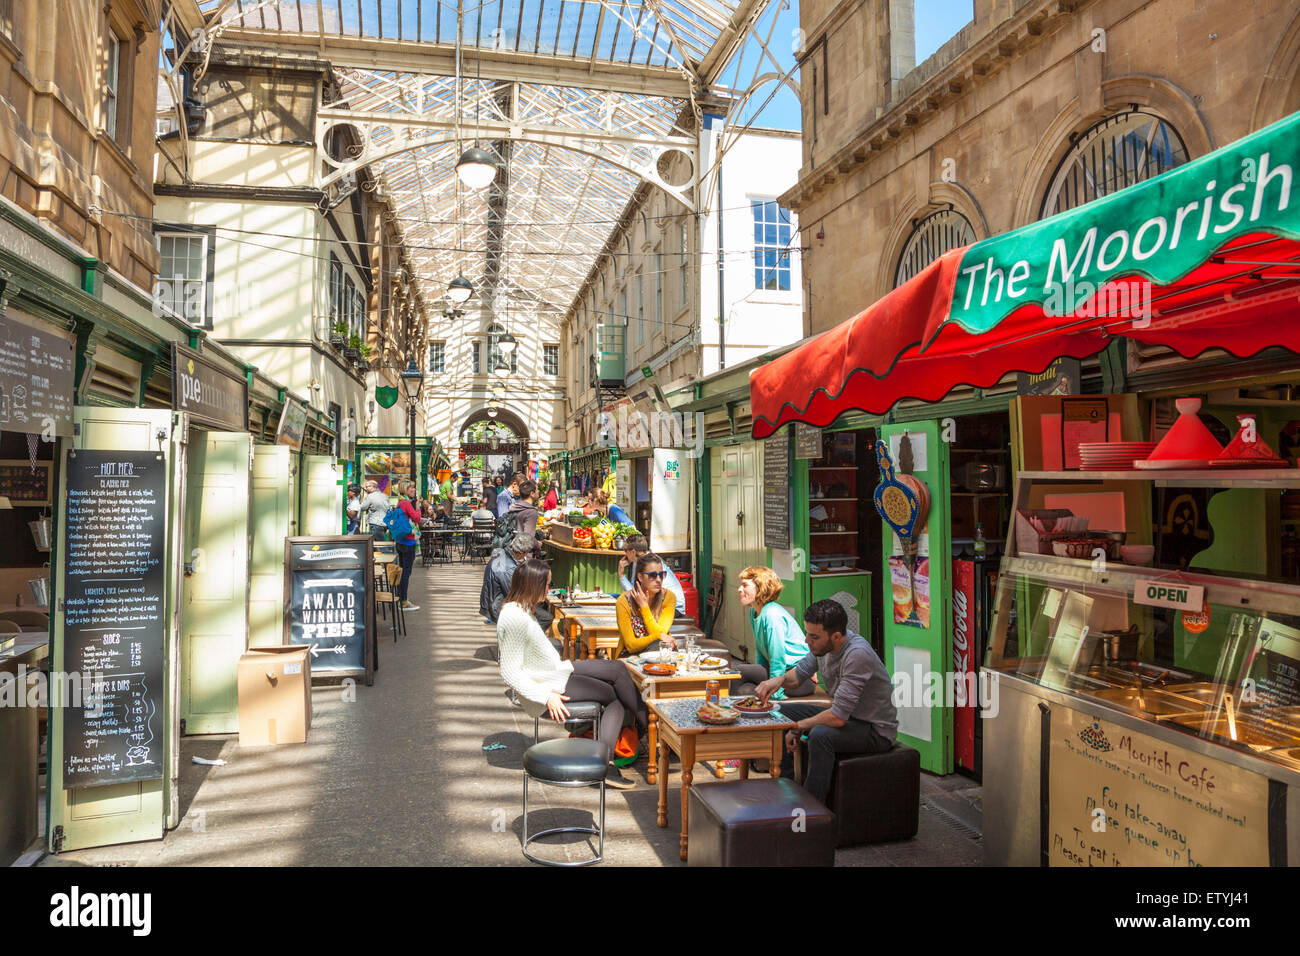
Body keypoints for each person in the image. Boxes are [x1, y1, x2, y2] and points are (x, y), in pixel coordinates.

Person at [497, 559, 644, 789]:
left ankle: (646, 730)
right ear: (533, 585)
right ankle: (626, 749)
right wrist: (546, 696)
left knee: (617, 669)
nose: (548, 590)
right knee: (616, 691)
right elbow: (509, 671)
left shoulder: (519, 609)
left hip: (556, 673)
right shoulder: (514, 618)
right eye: (546, 584)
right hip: (549, 685)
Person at [755, 599, 898, 804]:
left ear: (837, 636)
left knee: (821, 735)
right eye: (807, 633)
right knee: (778, 711)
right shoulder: (822, 648)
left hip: (874, 730)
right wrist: (778, 680)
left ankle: (812, 807)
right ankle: (787, 789)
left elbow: (837, 718)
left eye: (813, 636)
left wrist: (798, 727)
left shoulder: (856, 655)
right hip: (849, 718)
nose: (807, 640)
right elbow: (797, 677)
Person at [733, 567, 817, 699]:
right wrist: (760, 677)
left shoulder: (772, 614)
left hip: (798, 678)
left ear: (760, 588)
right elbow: (761, 652)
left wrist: (775, 694)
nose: (739, 589)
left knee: (739, 672)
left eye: (745, 585)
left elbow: (778, 658)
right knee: (745, 690)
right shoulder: (754, 611)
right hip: (780, 673)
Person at [614, 552, 677, 658]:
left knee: (662, 647)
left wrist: (644, 608)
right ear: (640, 577)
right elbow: (630, 645)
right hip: (630, 656)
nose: (658, 580)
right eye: (652, 576)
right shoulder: (624, 601)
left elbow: (661, 636)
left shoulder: (668, 597)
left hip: (658, 652)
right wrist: (658, 636)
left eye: (661, 575)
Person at [480, 533, 550, 626]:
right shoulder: (507, 568)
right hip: (496, 607)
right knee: (545, 617)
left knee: (539, 607)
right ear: (524, 553)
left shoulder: (503, 554)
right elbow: (514, 594)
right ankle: (526, 636)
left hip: (491, 601)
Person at [617, 534, 685, 609]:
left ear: (633, 552)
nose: (625, 553)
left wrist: (621, 575)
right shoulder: (639, 561)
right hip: (662, 603)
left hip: (673, 606)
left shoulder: (646, 563)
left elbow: (635, 594)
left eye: (625, 550)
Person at [387, 480, 421, 611]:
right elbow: (417, 518)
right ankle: (403, 601)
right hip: (408, 541)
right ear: (405, 489)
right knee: (406, 572)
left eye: (413, 487)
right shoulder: (406, 503)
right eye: (411, 488)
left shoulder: (400, 503)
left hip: (401, 541)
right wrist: (417, 507)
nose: (413, 490)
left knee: (402, 571)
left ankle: (400, 596)